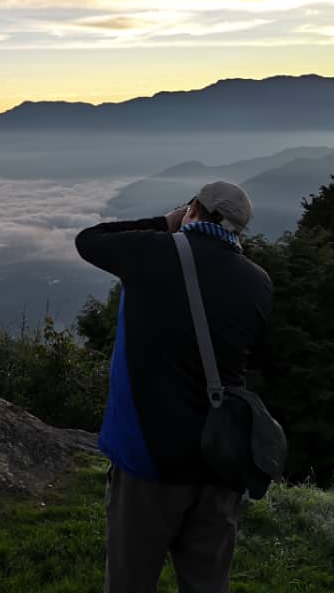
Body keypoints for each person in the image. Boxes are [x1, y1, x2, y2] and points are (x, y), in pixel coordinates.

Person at [74, 180, 272, 593]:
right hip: (220, 459)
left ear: (193, 209)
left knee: (131, 580)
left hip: (150, 461)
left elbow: (89, 240)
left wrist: (167, 222)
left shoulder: (154, 253)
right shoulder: (258, 282)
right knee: (207, 583)